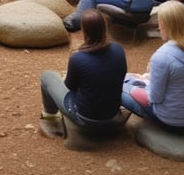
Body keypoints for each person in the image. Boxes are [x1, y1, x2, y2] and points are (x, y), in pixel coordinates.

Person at [121, 1, 184, 132]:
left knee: (118, 85)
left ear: (167, 26)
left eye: (160, 23)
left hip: (170, 121)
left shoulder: (162, 56)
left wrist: (142, 82)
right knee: (133, 80)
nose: (158, 27)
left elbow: (154, 98)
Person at [39, 9, 128, 138]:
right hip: (112, 114)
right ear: (104, 28)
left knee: (47, 77)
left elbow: (70, 88)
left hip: (85, 118)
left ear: (84, 31)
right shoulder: (118, 49)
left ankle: (50, 118)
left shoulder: (78, 58)